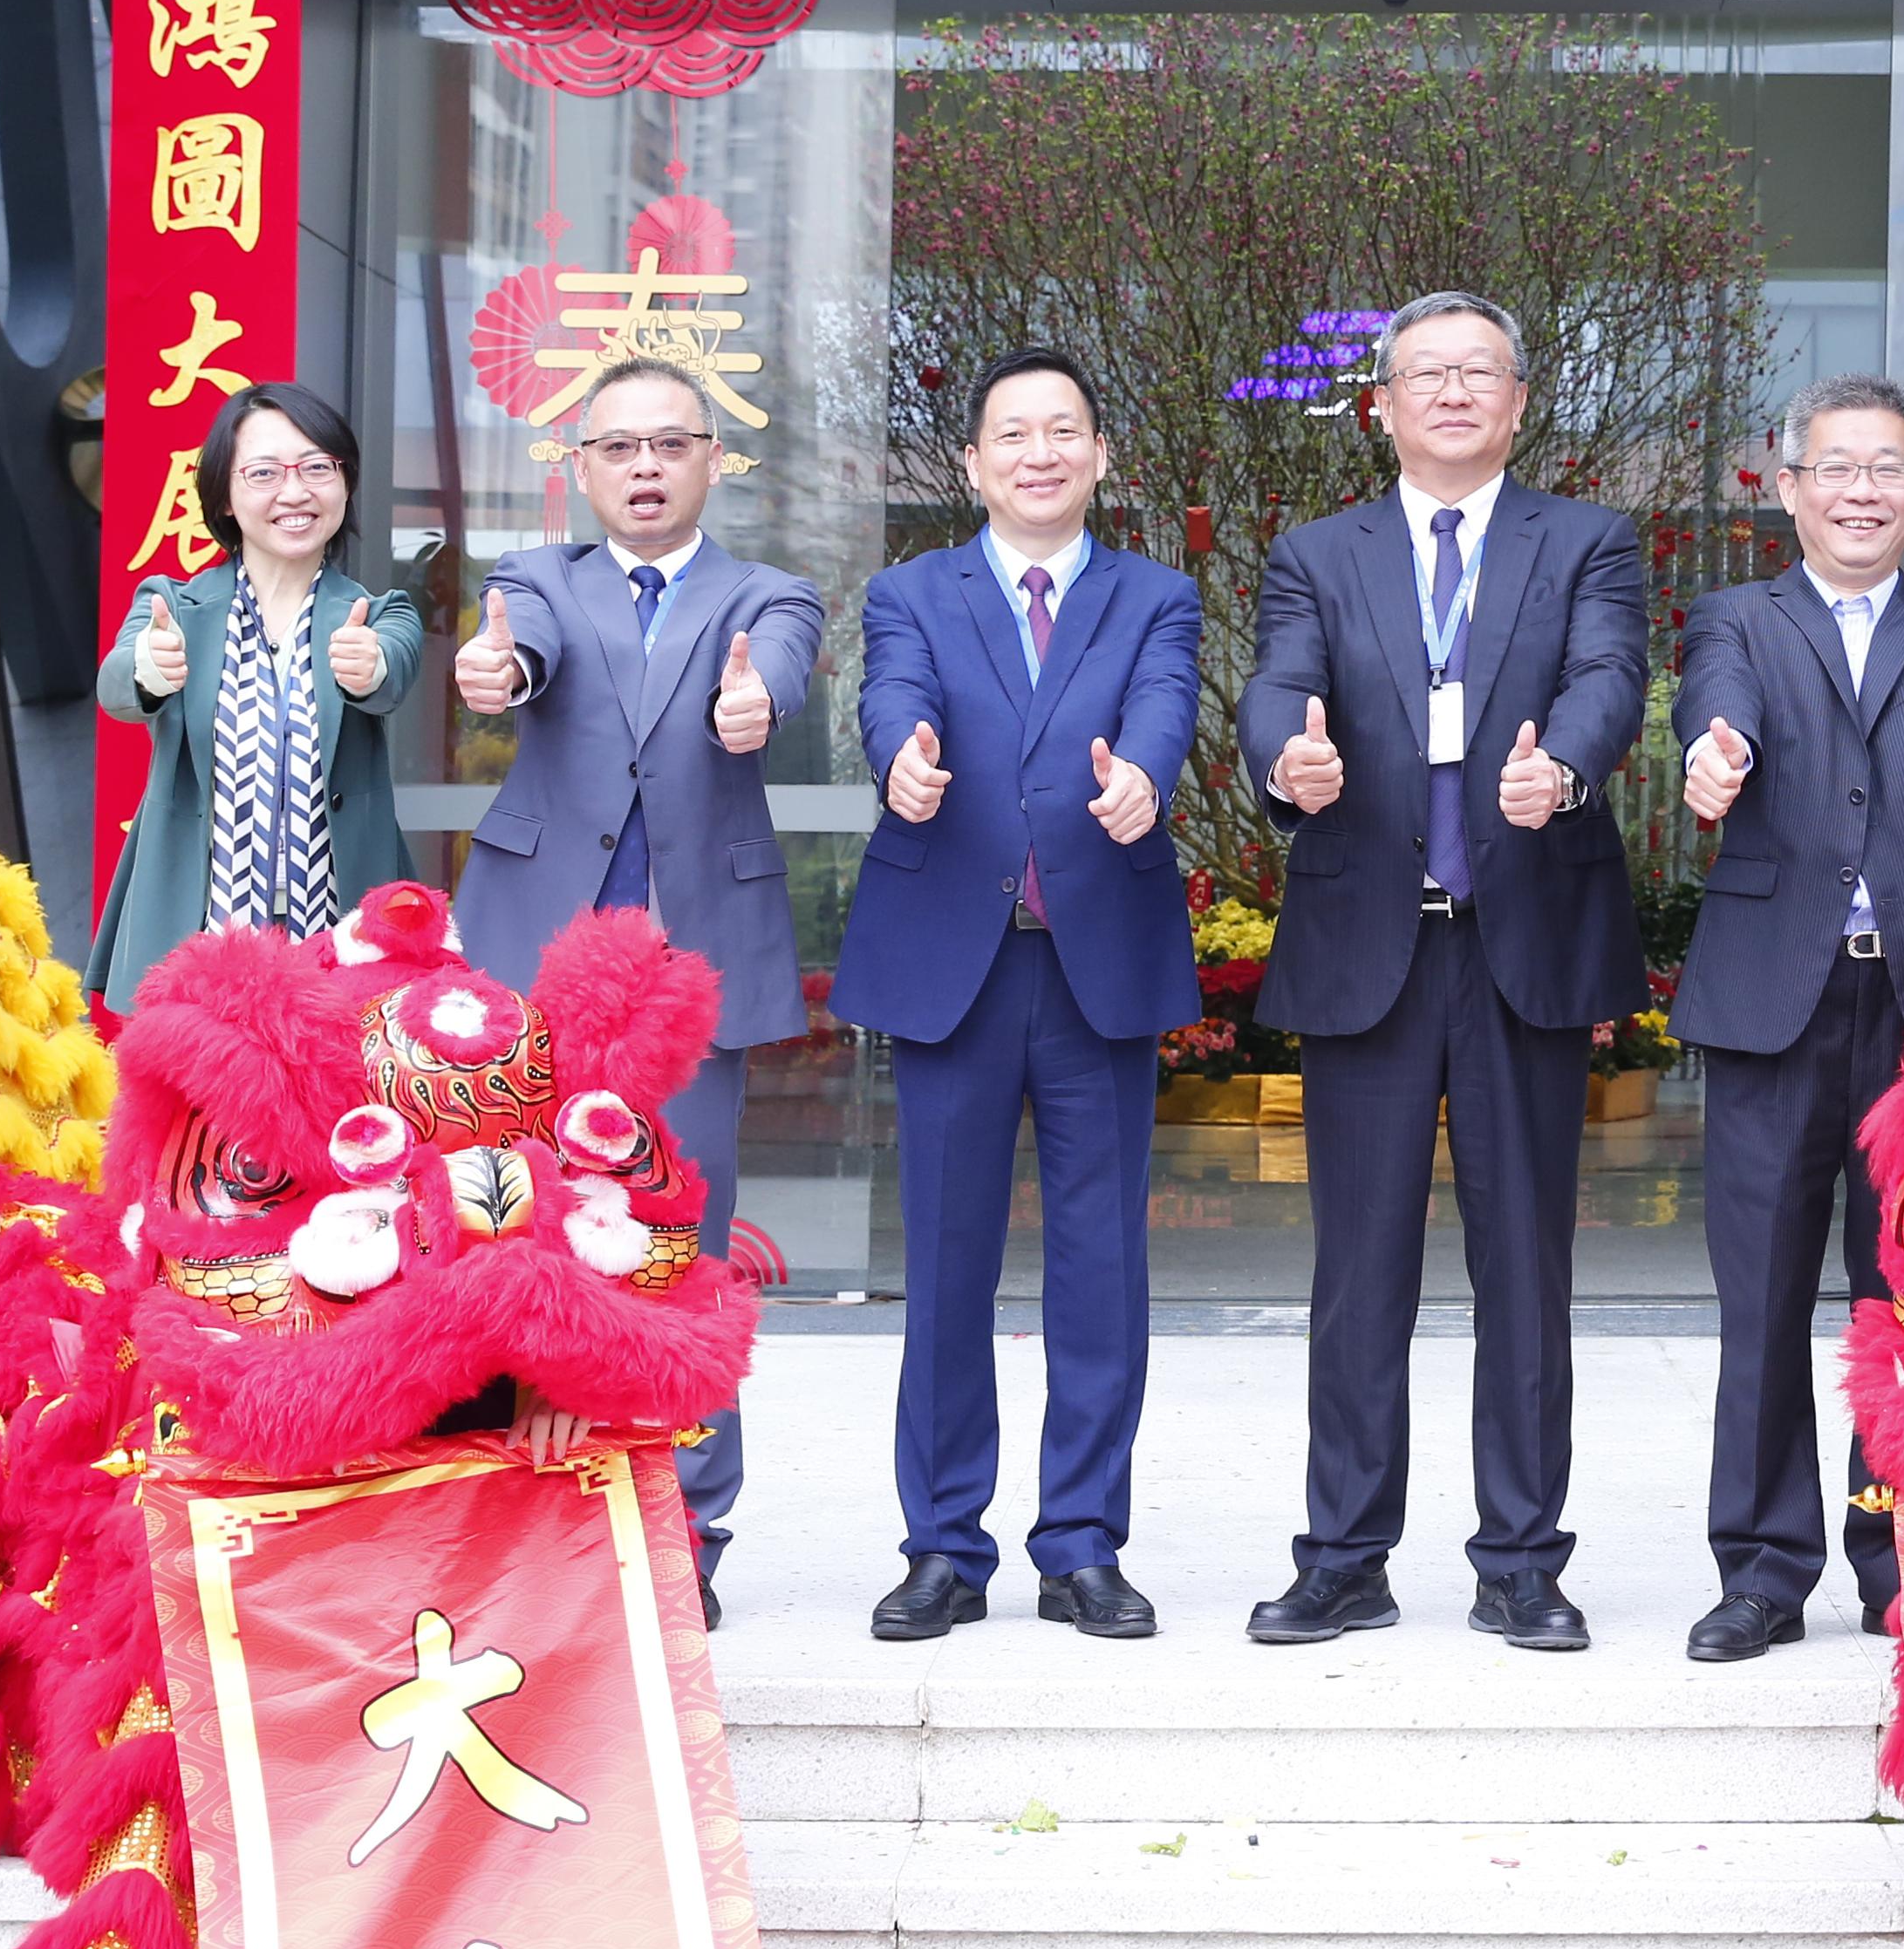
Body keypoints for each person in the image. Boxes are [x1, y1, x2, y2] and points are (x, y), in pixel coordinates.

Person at [1232, 292, 1648, 1653]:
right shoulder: (1317, 552)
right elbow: (1279, 682)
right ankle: (1344, 1555)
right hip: (1371, 940)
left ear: (1519, 402)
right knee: (1358, 1271)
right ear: (1385, 403)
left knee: (1525, 1266)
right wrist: (1287, 761)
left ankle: (1521, 1559)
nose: (1454, 391)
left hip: (1522, 935)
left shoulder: (1586, 540)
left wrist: (1564, 766)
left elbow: (1609, 676)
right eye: (1428, 373)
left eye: (1481, 371)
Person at [836, 348, 1202, 1646]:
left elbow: (1164, 707)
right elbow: (893, 695)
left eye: (1063, 431)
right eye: (1013, 434)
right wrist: (902, 760)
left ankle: (1083, 1542)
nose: (1039, 453)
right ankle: (943, 1543)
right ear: (974, 462)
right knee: (947, 1267)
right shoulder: (909, 590)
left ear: (1100, 455)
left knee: (1102, 1268)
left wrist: (1142, 777)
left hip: (1097, 960)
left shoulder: (1156, 594)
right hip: (957, 962)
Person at [1669, 374, 1904, 1664]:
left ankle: (1902, 1555)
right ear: (1791, 488)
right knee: (1763, 1296)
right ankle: (1761, 1569)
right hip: (1776, 996)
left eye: (1886, 469)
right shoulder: (1736, 617)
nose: (1861, 492)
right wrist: (1714, 755)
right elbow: (1715, 704)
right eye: (1836, 468)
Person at [450, 357, 822, 1612]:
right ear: (582, 467)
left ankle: (686, 1538)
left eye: (671, 444)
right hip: (533, 960)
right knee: (512, 1227)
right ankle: (515, 1517)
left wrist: (752, 702)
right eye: (619, 447)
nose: (646, 466)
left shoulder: (768, 592)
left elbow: (778, 667)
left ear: (714, 458)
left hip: (690, 972)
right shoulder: (534, 578)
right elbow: (524, 652)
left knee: (685, 1245)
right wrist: (499, 673)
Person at [82, 381, 427, 1014]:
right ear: (224, 495)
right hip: (204, 938)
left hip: (343, 941)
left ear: (344, 484)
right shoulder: (173, 606)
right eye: (265, 473)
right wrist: (149, 670)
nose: (294, 492)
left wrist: (369, 666)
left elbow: (391, 672)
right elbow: (118, 686)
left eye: (317, 468)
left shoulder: (380, 613)